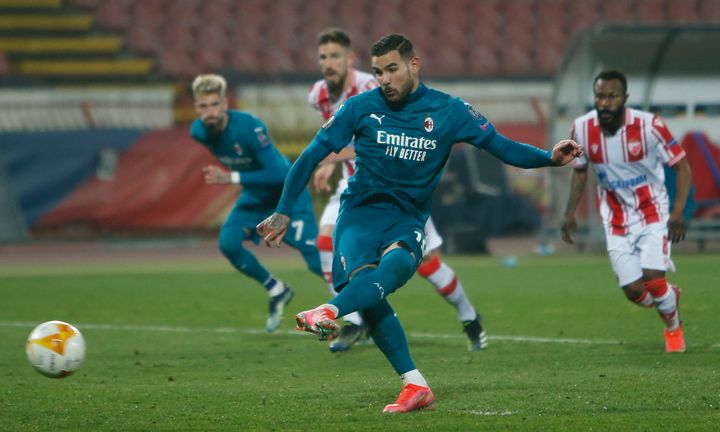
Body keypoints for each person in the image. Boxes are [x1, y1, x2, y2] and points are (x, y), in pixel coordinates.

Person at [258, 34, 581, 413]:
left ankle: (328, 311)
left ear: (414, 64)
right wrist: (282, 209)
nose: (384, 79)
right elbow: (310, 156)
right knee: (369, 289)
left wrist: (549, 158)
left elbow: (502, 146)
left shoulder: (450, 111)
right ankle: (415, 386)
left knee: (396, 266)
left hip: (407, 218)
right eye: (378, 72)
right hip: (359, 216)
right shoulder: (358, 107)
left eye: (392, 69)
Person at [310, 28, 488, 353]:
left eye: (334, 56)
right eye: (322, 57)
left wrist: (329, 159)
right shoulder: (319, 95)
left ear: (350, 59)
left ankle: (469, 316)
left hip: (401, 191)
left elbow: (377, 140)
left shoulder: (371, 87)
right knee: (325, 241)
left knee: (428, 265)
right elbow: (343, 137)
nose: (327, 63)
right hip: (357, 190)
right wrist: (329, 160)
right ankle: (355, 320)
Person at [561, 69, 691, 353]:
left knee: (654, 278)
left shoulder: (650, 126)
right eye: (600, 96)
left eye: (612, 96)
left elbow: (682, 165)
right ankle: (669, 297)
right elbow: (580, 172)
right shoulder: (581, 128)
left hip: (653, 211)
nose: (605, 102)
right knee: (634, 291)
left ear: (625, 98)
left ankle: (673, 328)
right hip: (616, 218)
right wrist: (570, 212)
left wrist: (678, 210)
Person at [189, 73, 322, 333]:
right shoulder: (198, 131)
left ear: (225, 103)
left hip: (286, 195)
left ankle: (360, 312)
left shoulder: (249, 126)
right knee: (227, 243)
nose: (210, 112)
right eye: (203, 106)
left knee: (318, 262)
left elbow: (278, 174)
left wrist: (230, 177)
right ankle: (277, 289)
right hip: (255, 196)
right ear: (196, 108)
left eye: (214, 104)